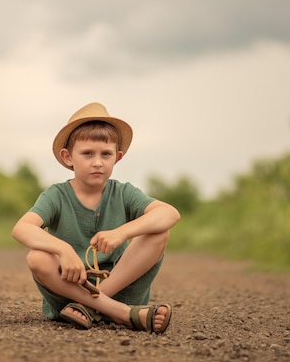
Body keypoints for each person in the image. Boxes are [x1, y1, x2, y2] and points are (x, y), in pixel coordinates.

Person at [11, 102, 180, 333]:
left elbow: (170, 213)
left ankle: (91, 307)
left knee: (159, 232)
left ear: (117, 158)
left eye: (106, 154)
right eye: (88, 153)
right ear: (68, 157)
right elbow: (22, 228)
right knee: (37, 258)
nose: (98, 162)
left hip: (121, 289)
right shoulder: (57, 195)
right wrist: (63, 250)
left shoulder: (122, 192)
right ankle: (122, 314)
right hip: (69, 292)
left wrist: (122, 232)